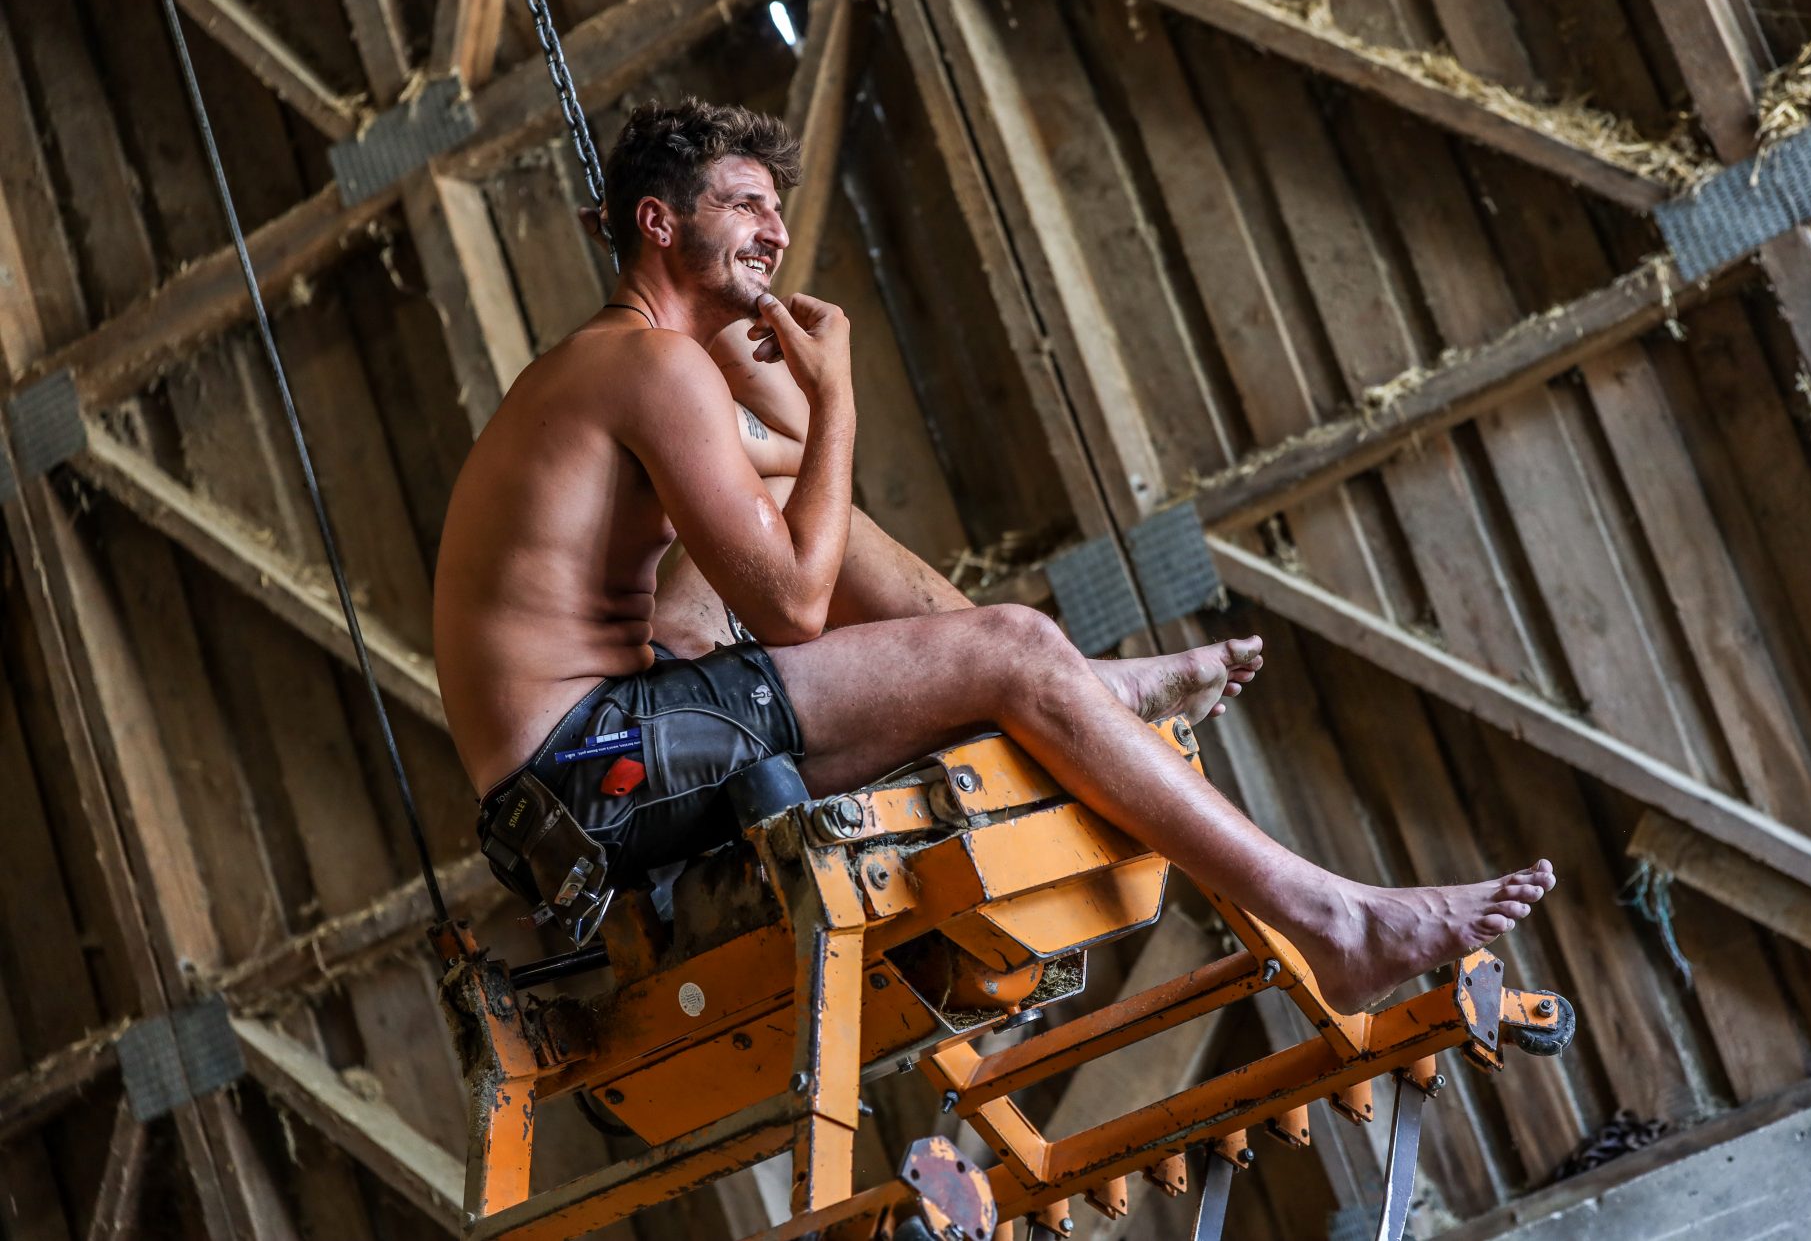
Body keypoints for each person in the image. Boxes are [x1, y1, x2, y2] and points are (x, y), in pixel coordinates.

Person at [432, 98, 1553, 1014]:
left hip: (578, 782)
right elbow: (791, 608)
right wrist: (841, 388)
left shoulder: (640, 363)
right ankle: (1329, 919)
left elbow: (800, 467)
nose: (772, 230)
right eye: (742, 205)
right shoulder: (652, 369)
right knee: (1008, 643)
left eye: (777, 209)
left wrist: (781, 373)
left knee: (807, 515)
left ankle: (1061, 685)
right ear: (658, 223)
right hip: (589, 770)